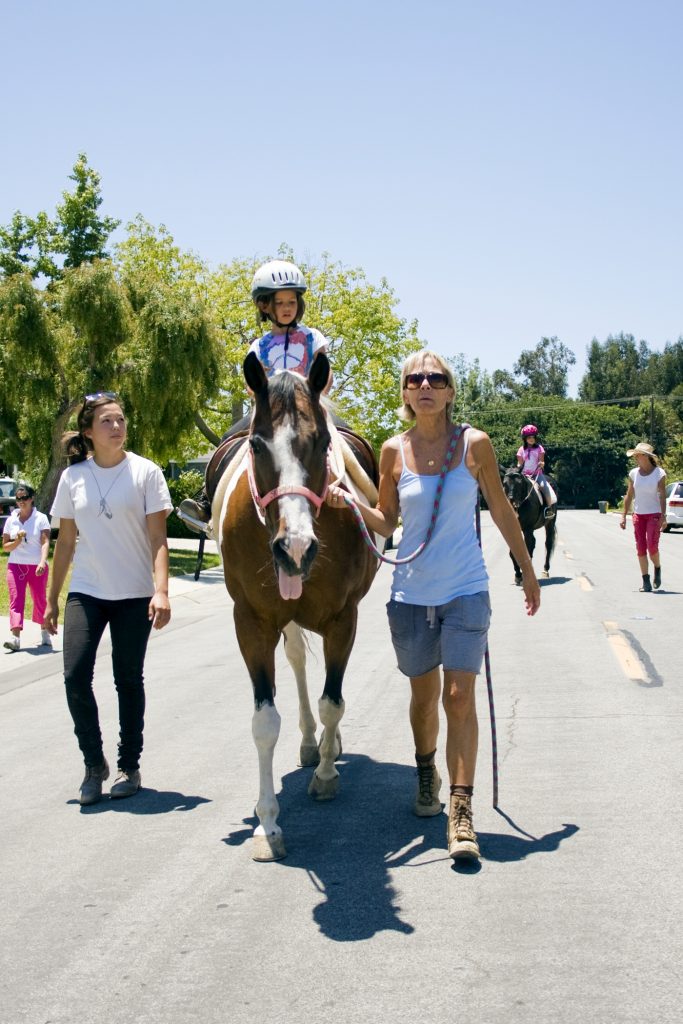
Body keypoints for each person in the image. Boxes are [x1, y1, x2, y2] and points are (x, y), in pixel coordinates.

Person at [325, 351, 541, 861]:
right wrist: (349, 502)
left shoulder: (475, 445)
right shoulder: (392, 452)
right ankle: (427, 774)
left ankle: (461, 812)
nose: (425, 384)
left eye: (435, 378)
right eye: (414, 378)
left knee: (459, 696)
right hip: (411, 596)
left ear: (449, 391)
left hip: (466, 590)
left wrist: (527, 570)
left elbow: (504, 510)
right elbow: (386, 521)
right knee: (424, 701)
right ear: (404, 392)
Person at [43, 391, 173, 806]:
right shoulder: (73, 477)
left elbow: (158, 538)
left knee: (127, 680)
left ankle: (128, 766)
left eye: (120, 420)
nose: (117, 427)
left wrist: (162, 590)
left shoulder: (146, 473)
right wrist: (50, 601)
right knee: (75, 676)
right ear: (88, 432)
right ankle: (93, 763)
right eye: (107, 422)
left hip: (135, 593)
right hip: (86, 590)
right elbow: (64, 544)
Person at [178, 259, 332, 531]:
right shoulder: (259, 346)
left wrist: (315, 398)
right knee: (228, 439)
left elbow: (325, 373)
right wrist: (263, 399)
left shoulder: (313, 337)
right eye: (280, 303)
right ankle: (206, 500)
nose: (287, 308)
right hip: (269, 413)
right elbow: (253, 383)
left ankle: (373, 494)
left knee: (348, 434)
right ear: (265, 306)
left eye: (292, 302)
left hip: (309, 409)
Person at [2, 484, 51, 652]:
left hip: (36, 566)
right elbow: (6, 547)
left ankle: (44, 631)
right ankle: (15, 638)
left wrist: (42, 562)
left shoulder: (41, 518)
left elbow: (45, 543)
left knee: (39, 599)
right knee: (16, 599)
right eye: (18, 499)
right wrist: (16, 541)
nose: (21, 501)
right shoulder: (11, 520)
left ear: (31, 499)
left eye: (24, 498)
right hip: (16, 566)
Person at [619, 441, 667, 592]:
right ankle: (645, 581)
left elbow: (662, 496)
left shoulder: (659, 473)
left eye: (637, 455)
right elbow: (629, 495)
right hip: (638, 514)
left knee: (652, 547)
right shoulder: (633, 473)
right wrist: (623, 515)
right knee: (640, 548)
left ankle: (657, 567)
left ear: (645, 456)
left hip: (654, 514)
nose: (635, 458)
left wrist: (663, 517)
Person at [517, 424, 558, 517]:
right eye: (529, 437)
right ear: (525, 438)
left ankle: (549, 509)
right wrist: (518, 466)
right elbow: (520, 463)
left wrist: (542, 464)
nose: (531, 439)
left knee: (545, 487)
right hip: (524, 475)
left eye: (533, 437)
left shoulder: (539, 448)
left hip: (536, 474)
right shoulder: (521, 450)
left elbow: (541, 461)